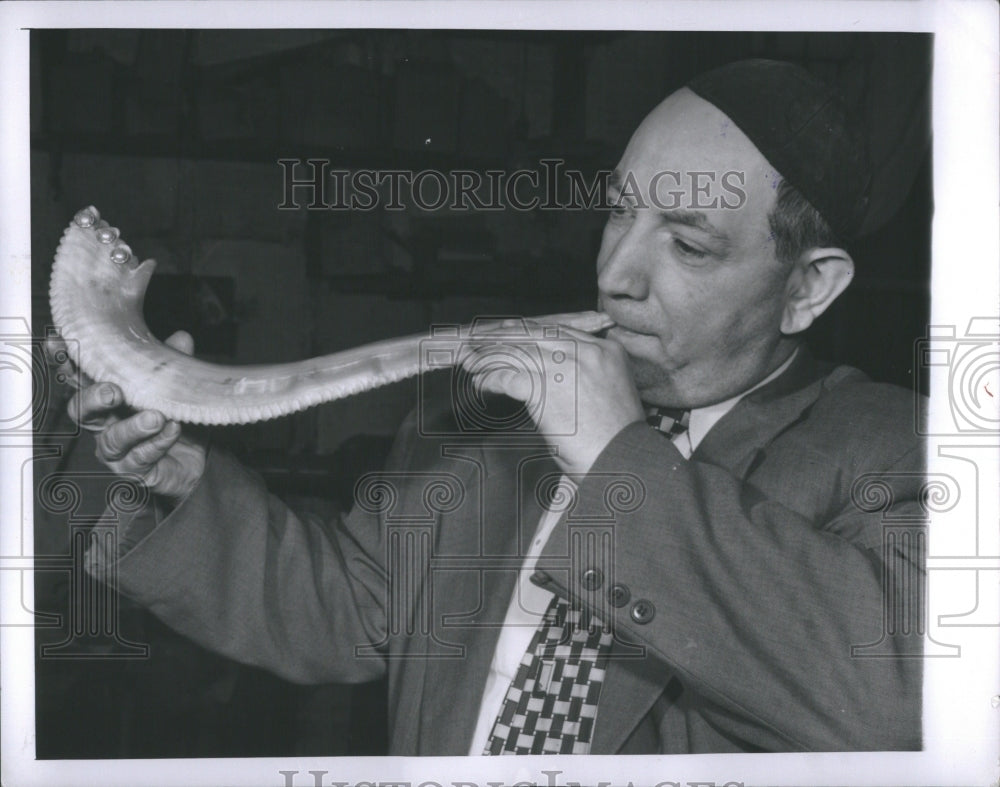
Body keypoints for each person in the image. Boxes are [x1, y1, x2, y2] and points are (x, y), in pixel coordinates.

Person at [54, 59, 924, 754]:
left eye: (688, 243)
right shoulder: (489, 423)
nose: (616, 274)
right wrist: (182, 481)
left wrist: (620, 455)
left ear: (808, 289)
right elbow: (347, 608)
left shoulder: (898, 451)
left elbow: (894, 702)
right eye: (618, 211)